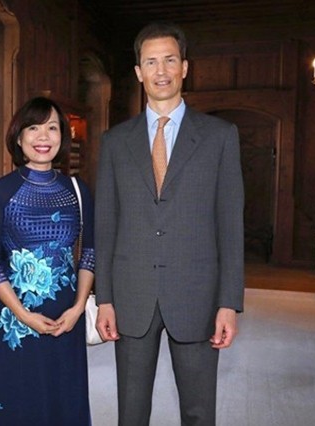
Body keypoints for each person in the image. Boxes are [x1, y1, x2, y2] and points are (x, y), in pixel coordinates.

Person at [94, 21, 245, 426]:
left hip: (197, 294)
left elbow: (231, 226)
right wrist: (103, 297)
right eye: (151, 62)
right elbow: (105, 225)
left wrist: (229, 302)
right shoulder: (114, 142)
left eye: (170, 60)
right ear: (139, 72)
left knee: (198, 412)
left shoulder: (220, 136)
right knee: (131, 412)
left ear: (185, 67)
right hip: (131, 294)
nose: (161, 71)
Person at [0, 96, 95, 426]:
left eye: (52, 128)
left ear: (63, 136)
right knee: (18, 398)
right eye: (34, 128)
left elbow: (90, 254)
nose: (43, 137)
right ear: (19, 137)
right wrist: (23, 315)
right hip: (14, 315)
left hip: (67, 313)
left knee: (63, 396)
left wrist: (78, 307)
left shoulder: (77, 189)